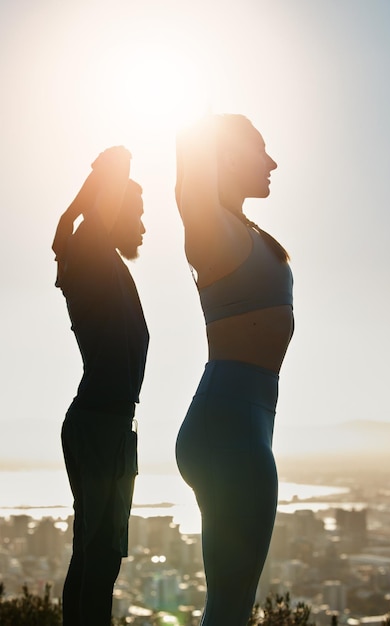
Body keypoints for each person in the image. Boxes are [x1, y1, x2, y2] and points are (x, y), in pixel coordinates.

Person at [175, 114, 294, 626]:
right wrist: (203, 127)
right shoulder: (213, 231)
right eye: (259, 151)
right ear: (224, 156)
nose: (272, 163)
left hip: (242, 423)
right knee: (230, 603)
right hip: (231, 428)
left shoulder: (240, 230)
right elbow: (189, 191)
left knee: (234, 601)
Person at [52, 146, 149, 626]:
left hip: (107, 425)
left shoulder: (107, 262)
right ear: (112, 208)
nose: (144, 227)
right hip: (99, 425)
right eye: (138, 213)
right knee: (99, 553)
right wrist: (119, 163)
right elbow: (112, 168)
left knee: (95, 553)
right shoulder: (89, 249)